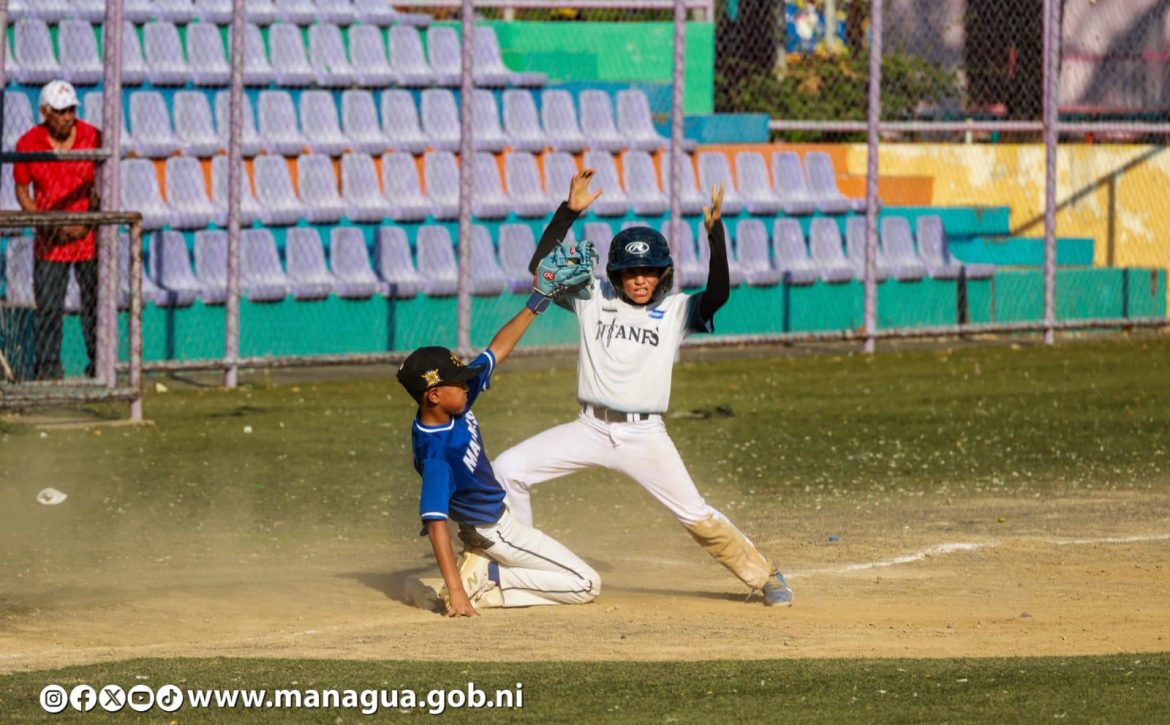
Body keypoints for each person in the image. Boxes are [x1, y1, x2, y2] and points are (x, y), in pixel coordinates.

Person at [492, 172, 795, 607]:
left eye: (649, 272)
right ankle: (525, 567)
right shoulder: (591, 296)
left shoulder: (676, 310)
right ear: (616, 275)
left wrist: (716, 237)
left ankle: (765, 575)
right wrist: (568, 212)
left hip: (644, 435)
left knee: (695, 514)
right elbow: (541, 269)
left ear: (663, 274)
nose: (640, 280)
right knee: (508, 469)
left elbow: (718, 296)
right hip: (589, 428)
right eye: (631, 272)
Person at [397, 203, 601, 616]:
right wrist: (456, 592)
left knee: (568, 575)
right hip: (492, 531)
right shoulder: (437, 452)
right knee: (585, 584)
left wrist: (538, 300)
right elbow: (435, 522)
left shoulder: (451, 405)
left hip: (492, 523)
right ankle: (485, 583)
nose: (467, 383)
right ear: (433, 395)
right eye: (459, 381)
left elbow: (496, 351)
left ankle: (476, 576)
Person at [13, 80, 102, 380]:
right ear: (45, 112)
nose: (67, 117)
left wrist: (87, 221)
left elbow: (102, 186)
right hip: (49, 240)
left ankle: (99, 365)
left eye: (71, 111)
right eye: (61, 112)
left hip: (88, 236)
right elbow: (22, 191)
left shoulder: (93, 137)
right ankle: (48, 370)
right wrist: (45, 222)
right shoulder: (28, 144)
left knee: (94, 304)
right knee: (49, 307)